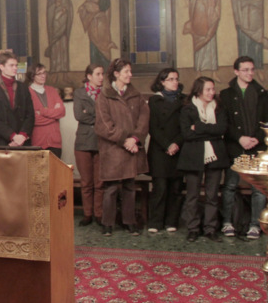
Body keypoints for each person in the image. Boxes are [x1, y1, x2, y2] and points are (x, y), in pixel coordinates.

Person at [95, 58, 149, 236]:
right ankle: (107, 223)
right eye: (126, 71)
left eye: (130, 71)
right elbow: (104, 125)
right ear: (116, 74)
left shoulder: (135, 94)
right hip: (113, 149)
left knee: (129, 186)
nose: (130, 75)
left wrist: (135, 138)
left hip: (131, 146)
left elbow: (144, 118)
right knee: (110, 189)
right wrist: (126, 140)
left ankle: (129, 221)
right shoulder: (104, 96)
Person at [220, 56, 268, 239]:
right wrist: (240, 138)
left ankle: (255, 225)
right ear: (236, 72)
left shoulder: (262, 93)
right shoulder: (226, 95)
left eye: (251, 69)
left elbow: (267, 120)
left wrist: (256, 138)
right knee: (230, 186)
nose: (249, 73)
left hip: (256, 147)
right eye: (245, 70)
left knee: (258, 188)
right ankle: (227, 222)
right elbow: (225, 122)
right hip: (235, 146)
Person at [177, 77, 229, 242]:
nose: (211, 93)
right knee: (192, 195)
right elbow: (186, 134)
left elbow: (222, 129)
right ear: (199, 91)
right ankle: (193, 228)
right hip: (193, 156)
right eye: (208, 89)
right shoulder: (187, 109)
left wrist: (198, 127)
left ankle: (210, 228)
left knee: (212, 195)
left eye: (213, 89)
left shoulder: (219, 108)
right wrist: (210, 131)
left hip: (216, 155)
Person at [147, 68, 185, 233]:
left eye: (176, 79)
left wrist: (176, 143)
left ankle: (172, 221)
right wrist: (167, 145)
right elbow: (153, 127)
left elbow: (186, 126)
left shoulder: (184, 100)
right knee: (160, 188)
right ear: (162, 82)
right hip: (160, 150)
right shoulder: (155, 101)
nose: (174, 82)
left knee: (176, 188)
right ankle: (155, 222)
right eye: (170, 79)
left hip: (178, 148)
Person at [74, 64, 104, 227]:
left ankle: (99, 214)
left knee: (99, 182)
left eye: (102, 74)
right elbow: (79, 115)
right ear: (89, 76)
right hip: (83, 142)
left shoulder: (106, 93)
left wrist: (90, 114)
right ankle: (87, 214)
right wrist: (99, 118)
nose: (101, 77)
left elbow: (108, 116)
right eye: (98, 74)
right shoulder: (79, 93)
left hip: (101, 141)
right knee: (86, 182)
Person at [0, 51, 34, 146]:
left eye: (16, 65)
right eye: (11, 65)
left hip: (23, 140)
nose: (15, 68)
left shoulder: (23, 87)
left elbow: (30, 114)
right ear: (2, 67)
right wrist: (12, 136)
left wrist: (22, 135)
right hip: (1, 140)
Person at [183, 0, 221, 77]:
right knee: (199, 36)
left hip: (210, 10)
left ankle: (213, 71)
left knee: (211, 38)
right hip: (199, 10)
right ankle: (198, 70)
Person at [78, 0, 117, 67]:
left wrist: (95, 7)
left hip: (101, 19)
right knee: (93, 43)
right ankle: (94, 68)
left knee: (102, 41)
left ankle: (105, 68)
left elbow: (106, 2)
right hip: (91, 20)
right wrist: (84, 7)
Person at [26, 63, 65, 157]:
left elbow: (62, 112)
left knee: (55, 170)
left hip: (55, 141)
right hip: (38, 141)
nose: (43, 75)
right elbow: (34, 119)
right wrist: (53, 114)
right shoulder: (27, 92)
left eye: (44, 72)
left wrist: (43, 111)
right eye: (39, 73)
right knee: (39, 171)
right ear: (32, 76)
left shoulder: (52, 90)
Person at [45, 0, 73, 72]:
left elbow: (68, 4)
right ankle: (56, 69)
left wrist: (66, 9)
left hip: (64, 23)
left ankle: (64, 69)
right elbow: (50, 6)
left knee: (64, 46)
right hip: (56, 23)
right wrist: (56, 6)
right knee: (56, 46)